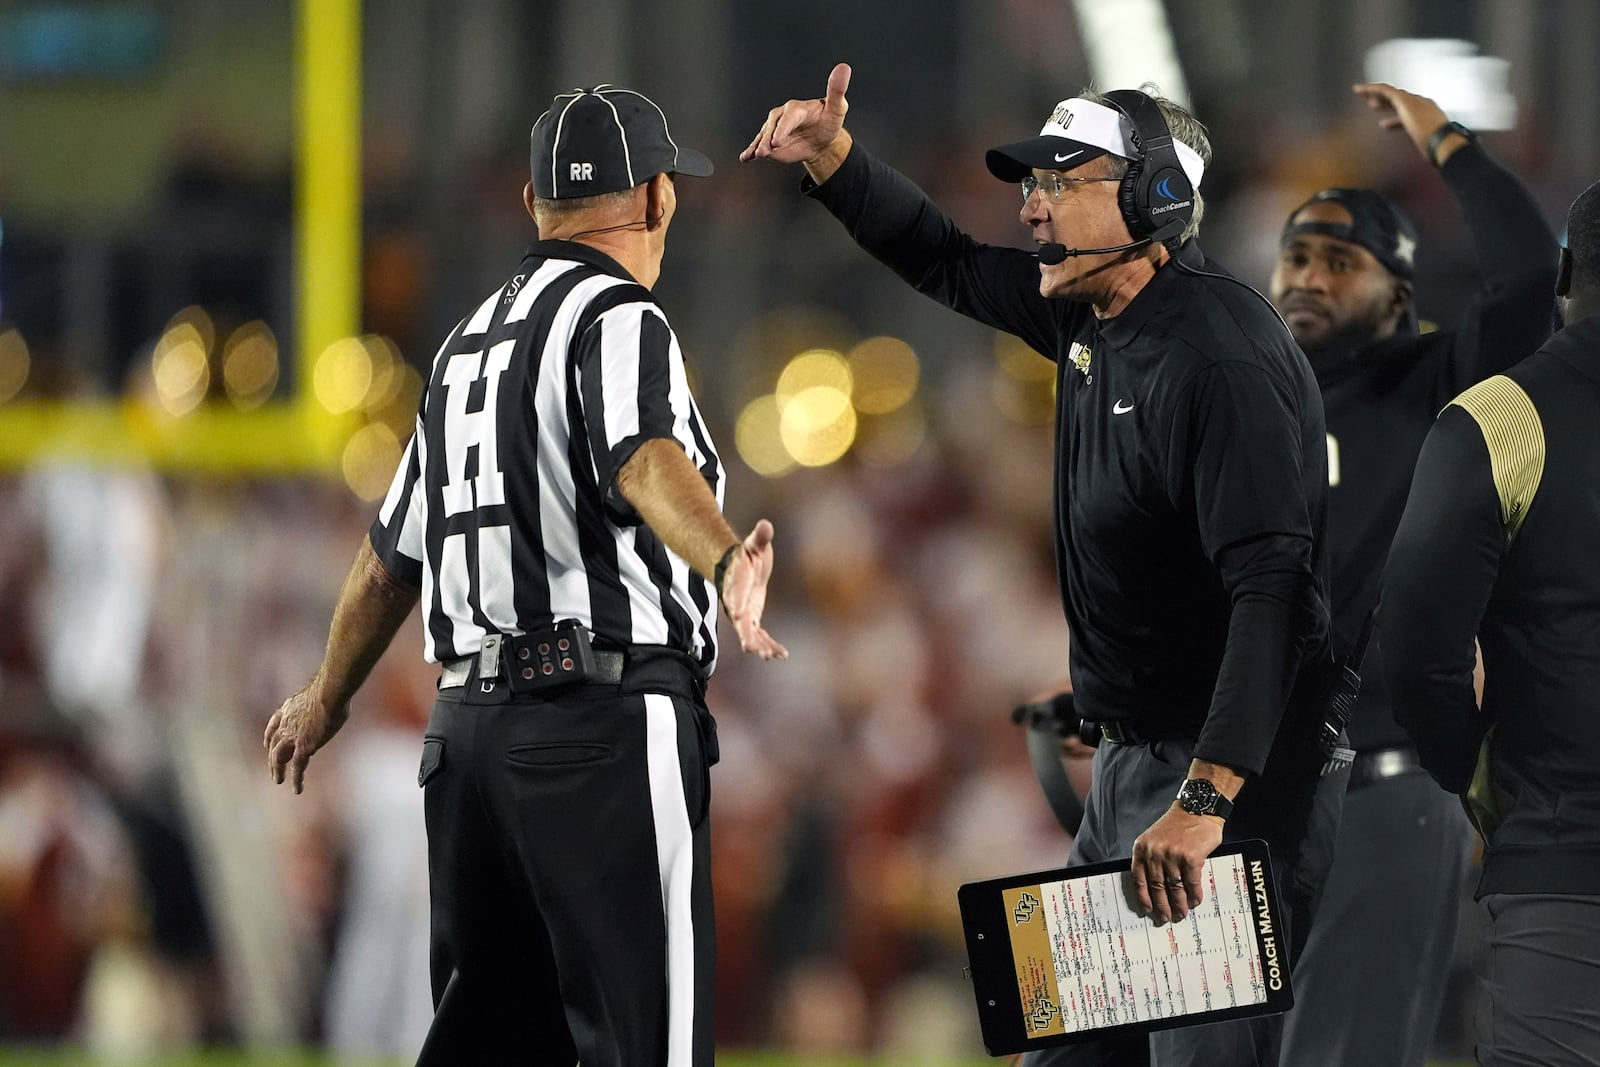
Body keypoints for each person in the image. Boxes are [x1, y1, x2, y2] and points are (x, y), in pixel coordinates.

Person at [744, 65, 1341, 1065]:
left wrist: (1204, 801)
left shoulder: (1223, 360)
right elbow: (942, 257)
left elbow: (1271, 596)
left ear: (1157, 198)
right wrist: (836, 163)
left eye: (1063, 181)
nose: (1032, 205)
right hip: (1132, 770)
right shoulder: (1091, 315)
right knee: (1060, 1056)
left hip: (1229, 785)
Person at [263, 84, 787, 1067]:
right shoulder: (617, 312)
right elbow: (642, 456)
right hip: (596, 721)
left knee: (494, 1047)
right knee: (650, 1045)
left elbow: (389, 558)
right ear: (656, 197)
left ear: (532, 204)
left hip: (465, 747)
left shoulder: (464, 346)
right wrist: (723, 554)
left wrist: (323, 693)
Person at [1270, 85, 1557, 1067]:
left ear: (1397, 291)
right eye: (1296, 256)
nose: (1308, 277)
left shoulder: (1438, 385)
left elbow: (1526, 272)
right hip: (1235, 788)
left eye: (1339, 262)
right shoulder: (1238, 398)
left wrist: (1447, 146)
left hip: (1379, 786)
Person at [1381, 178, 1600, 1067]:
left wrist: (1471, 767)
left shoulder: (1503, 418)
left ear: (1566, 271)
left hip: (1569, 863)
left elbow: (1417, 649)